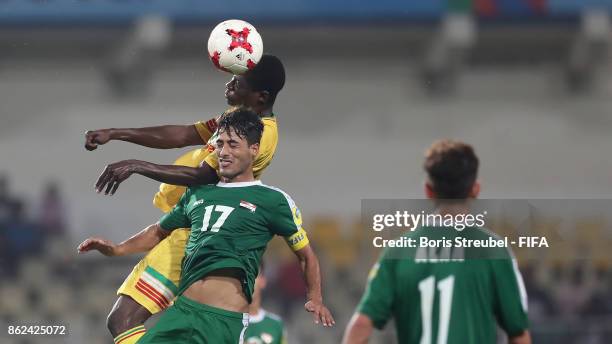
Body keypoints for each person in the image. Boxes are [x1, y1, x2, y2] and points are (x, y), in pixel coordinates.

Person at [79, 109, 334, 343]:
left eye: (233, 145)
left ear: (254, 149)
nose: (224, 152)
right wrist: (116, 249)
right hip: (182, 312)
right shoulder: (197, 194)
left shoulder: (273, 200)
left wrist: (315, 298)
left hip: (221, 320)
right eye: (220, 144)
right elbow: (159, 231)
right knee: (118, 323)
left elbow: (306, 256)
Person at [83, 55, 285, 344]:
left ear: (261, 96)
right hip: (186, 225)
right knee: (134, 323)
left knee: (124, 319)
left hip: (198, 235)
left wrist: (137, 165)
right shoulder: (236, 123)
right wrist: (116, 133)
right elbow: (182, 134)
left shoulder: (262, 135)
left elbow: (200, 175)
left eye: (237, 82)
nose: (228, 83)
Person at [342, 140, 531, 344]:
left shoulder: (398, 252)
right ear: (475, 189)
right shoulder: (495, 252)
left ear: (428, 190)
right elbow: (518, 333)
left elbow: (360, 325)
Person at [244, 264, 288, 344]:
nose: (247, 281)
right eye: (244, 276)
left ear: (262, 281)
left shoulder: (276, 325)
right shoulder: (228, 322)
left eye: (253, 275)